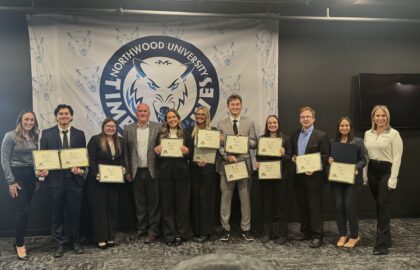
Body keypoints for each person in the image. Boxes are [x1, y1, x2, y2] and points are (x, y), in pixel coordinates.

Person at [40, 104, 86, 258]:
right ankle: (59, 243)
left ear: (71, 116)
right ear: (56, 117)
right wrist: (42, 169)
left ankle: (75, 241)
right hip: (55, 181)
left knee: (75, 213)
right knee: (56, 214)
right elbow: (43, 158)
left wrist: (80, 169)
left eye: (67, 114)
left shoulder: (80, 134)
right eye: (61, 114)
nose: (64, 116)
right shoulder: (47, 134)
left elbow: (82, 158)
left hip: (74, 181)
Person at [1, 111, 46, 260]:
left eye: (32, 119)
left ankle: (18, 241)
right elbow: (4, 159)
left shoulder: (35, 137)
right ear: (20, 120)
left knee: (25, 210)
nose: (29, 122)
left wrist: (40, 173)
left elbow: (36, 158)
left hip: (31, 178)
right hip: (17, 176)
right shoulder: (10, 136)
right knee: (23, 210)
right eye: (26, 119)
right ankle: (19, 244)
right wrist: (10, 181)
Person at [217, 94, 257, 241]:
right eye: (232, 104)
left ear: (241, 105)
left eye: (237, 104)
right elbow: (219, 146)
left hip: (244, 165)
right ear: (228, 107)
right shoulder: (221, 124)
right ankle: (225, 228)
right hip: (227, 165)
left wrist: (244, 141)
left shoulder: (249, 122)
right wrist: (227, 156)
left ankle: (246, 229)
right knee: (225, 198)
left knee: (245, 199)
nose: (235, 107)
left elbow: (254, 143)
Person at [364, 105, 403, 255]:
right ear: (373, 117)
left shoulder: (394, 134)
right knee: (380, 207)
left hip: (386, 171)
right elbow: (367, 156)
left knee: (383, 206)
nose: (380, 118)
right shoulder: (368, 133)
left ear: (387, 117)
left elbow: (397, 158)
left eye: (383, 116)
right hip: (373, 170)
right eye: (377, 116)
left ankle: (382, 245)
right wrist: (365, 174)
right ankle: (387, 239)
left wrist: (393, 179)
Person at [291, 106, 329, 248]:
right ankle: (305, 231)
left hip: (314, 177)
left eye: (308, 117)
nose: (305, 119)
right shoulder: (295, 135)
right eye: (302, 117)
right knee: (302, 205)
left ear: (313, 119)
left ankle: (318, 235)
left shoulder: (321, 136)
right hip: (299, 176)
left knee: (315, 207)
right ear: (299, 119)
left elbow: (325, 157)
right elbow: (294, 153)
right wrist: (294, 158)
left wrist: (314, 169)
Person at [154, 109, 193, 246]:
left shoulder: (186, 134)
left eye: (174, 117)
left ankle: (181, 234)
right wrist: (157, 152)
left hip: (182, 174)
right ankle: (169, 235)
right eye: (169, 117)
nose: (172, 119)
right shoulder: (160, 134)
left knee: (182, 206)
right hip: (165, 175)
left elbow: (191, 154)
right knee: (167, 206)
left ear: (178, 118)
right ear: (166, 120)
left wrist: (188, 152)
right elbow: (156, 154)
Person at [123, 103, 160, 244]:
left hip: (153, 171)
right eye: (140, 111)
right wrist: (127, 171)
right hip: (136, 171)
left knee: (154, 204)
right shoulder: (128, 129)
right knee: (140, 203)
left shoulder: (158, 127)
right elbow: (126, 152)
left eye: (145, 111)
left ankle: (153, 231)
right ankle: (141, 229)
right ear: (136, 113)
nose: (142, 113)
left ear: (149, 113)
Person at [328, 117, 366, 248]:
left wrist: (356, 167)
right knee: (339, 207)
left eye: (347, 125)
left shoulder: (358, 141)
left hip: (353, 180)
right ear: (338, 128)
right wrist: (330, 161)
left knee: (349, 207)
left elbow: (363, 160)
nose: (344, 128)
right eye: (342, 126)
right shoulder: (333, 142)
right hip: (337, 180)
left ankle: (355, 236)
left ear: (350, 127)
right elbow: (329, 159)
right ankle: (343, 234)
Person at [87, 118, 125, 249]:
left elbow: (122, 159)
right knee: (100, 210)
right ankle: (100, 238)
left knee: (112, 209)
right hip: (98, 181)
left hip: (114, 181)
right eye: (108, 126)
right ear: (103, 127)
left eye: (113, 126)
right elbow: (90, 160)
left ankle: (110, 237)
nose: (111, 128)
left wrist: (123, 168)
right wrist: (95, 173)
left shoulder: (120, 141)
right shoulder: (95, 140)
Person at [256, 115, 291, 244]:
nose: (272, 125)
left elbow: (290, 158)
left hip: (280, 177)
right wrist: (258, 163)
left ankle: (282, 234)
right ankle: (267, 232)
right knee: (267, 205)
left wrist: (284, 154)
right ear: (267, 125)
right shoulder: (262, 139)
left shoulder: (285, 139)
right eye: (269, 123)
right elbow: (259, 157)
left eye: (274, 122)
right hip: (266, 177)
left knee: (281, 206)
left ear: (278, 124)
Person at [190, 106, 218, 243]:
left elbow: (215, 151)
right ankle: (197, 230)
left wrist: (221, 140)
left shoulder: (213, 132)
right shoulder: (191, 131)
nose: (200, 116)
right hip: (194, 169)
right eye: (198, 114)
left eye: (203, 114)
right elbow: (188, 151)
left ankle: (207, 232)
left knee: (206, 200)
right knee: (196, 200)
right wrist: (196, 160)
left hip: (208, 169)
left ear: (207, 116)